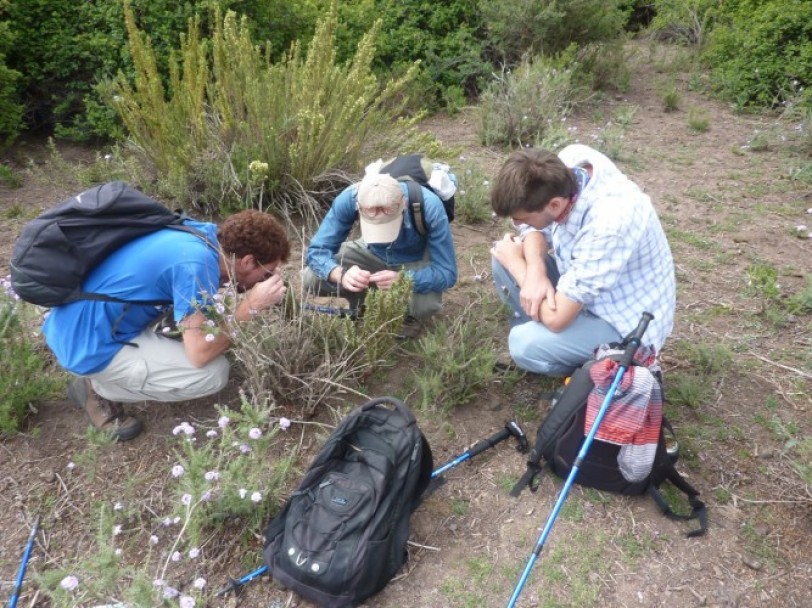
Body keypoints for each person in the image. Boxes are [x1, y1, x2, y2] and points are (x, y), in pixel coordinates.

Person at [42, 209, 291, 441]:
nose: (266, 280)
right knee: (213, 373)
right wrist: (249, 308)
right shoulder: (197, 265)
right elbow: (199, 355)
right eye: (267, 273)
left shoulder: (200, 235)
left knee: (203, 324)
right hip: (87, 345)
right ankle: (96, 387)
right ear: (247, 262)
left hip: (76, 321)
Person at [490, 144, 675, 376]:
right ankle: (545, 337)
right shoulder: (569, 165)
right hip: (586, 288)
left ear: (555, 205)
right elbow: (532, 230)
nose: (517, 225)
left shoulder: (608, 225)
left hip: (621, 325)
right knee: (506, 255)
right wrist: (535, 272)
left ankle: (595, 373)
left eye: (522, 218)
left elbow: (558, 319)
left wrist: (518, 266)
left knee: (523, 343)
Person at [302, 171, 457, 325]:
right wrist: (341, 275)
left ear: (403, 203)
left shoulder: (430, 206)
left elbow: (447, 272)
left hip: (413, 258)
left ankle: (393, 310)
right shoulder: (350, 198)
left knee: (424, 307)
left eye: (387, 226)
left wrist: (405, 279)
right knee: (310, 277)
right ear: (359, 207)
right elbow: (317, 251)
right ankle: (364, 299)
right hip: (370, 251)